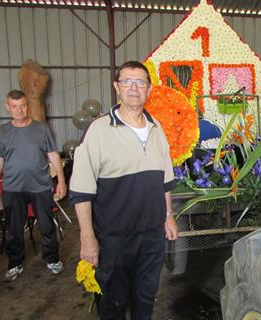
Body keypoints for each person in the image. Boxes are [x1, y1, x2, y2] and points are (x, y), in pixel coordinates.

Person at [69, 60, 179, 319]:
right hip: (113, 238)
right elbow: (82, 190)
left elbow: (164, 180)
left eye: (140, 82)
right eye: (127, 81)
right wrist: (87, 237)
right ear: (116, 87)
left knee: (145, 297)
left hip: (151, 236)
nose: (133, 88)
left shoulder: (156, 129)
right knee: (112, 302)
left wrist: (168, 216)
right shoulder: (98, 131)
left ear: (149, 90)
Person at [0, 89, 67, 282]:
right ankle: (15, 264)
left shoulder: (42, 129)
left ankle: (52, 259)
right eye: (14, 107)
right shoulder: (2, 132)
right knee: (14, 229)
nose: (19, 110)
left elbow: (53, 155)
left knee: (47, 226)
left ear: (27, 106)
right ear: (8, 108)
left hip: (40, 186)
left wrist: (61, 181)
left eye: (22, 106)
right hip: (13, 188)